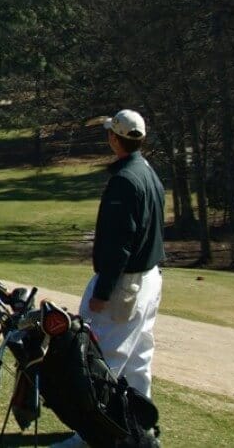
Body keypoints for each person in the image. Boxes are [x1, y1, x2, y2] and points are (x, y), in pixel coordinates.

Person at [51, 109, 165, 448]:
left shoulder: (125, 181)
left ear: (115, 138)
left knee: (101, 360)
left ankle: (95, 436)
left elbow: (119, 245)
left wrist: (102, 290)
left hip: (124, 284)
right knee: (139, 358)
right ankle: (137, 426)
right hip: (149, 279)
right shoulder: (148, 173)